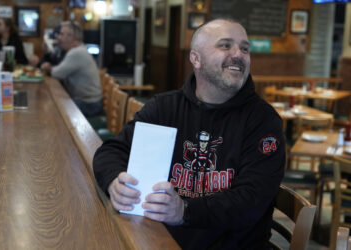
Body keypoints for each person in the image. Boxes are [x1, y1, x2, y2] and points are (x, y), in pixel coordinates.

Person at [93, 19, 285, 249]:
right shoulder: (165, 108)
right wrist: (114, 181)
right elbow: (112, 150)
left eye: (244, 48)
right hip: (161, 239)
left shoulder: (263, 121)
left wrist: (185, 211)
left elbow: (250, 202)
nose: (238, 54)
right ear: (196, 59)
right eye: (225, 45)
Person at [41, 21, 102, 117]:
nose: (58, 37)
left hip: (89, 104)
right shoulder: (77, 50)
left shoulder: (76, 52)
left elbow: (57, 73)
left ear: (71, 37)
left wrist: (48, 68)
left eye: (61, 34)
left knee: (54, 109)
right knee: (55, 104)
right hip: (88, 101)